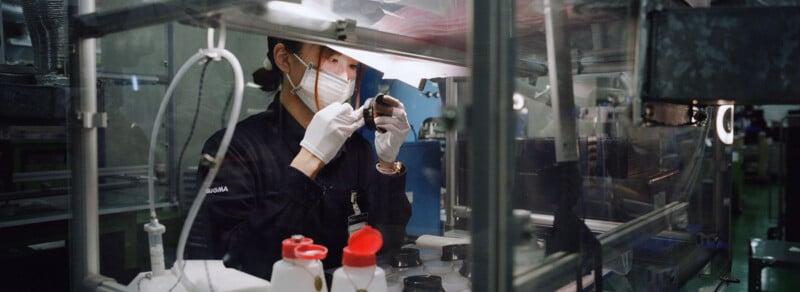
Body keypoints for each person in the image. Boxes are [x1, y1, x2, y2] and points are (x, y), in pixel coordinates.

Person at [187, 37, 412, 280]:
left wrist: (387, 164)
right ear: (284, 59)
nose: (345, 78)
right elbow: (235, 259)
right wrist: (308, 161)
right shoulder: (233, 149)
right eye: (332, 60)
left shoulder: (356, 149)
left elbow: (388, 242)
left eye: (352, 66)